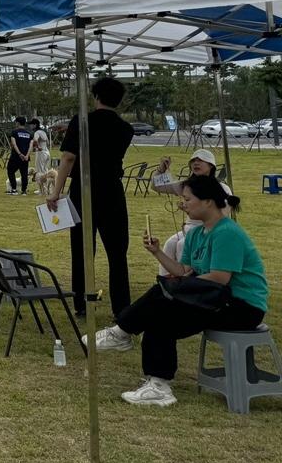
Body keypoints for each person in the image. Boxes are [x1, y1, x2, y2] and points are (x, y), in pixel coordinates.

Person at [99, 174, 268, 406]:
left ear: (207, 201)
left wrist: (179, 286)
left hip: (241, 306)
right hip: (214, 299)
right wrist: (157, 252)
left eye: (188, 200)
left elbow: (219, 278)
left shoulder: (227, 233)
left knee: (164, 297)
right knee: (161, 304)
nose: (184, 204)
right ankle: (156, 381)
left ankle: (123, 332)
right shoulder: (197, 234)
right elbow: (183, 269)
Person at [47, 77, 135, 331]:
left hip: (84, 190)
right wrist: (72, 128)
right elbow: (103, 138)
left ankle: (82, 302)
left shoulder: (82, 121)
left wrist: (56, 192)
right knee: (118, 253)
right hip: (113, 191)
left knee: (83, 248)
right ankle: (122, 307)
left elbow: (69, 158)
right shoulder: (125, 129)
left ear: (95, 96)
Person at [150, 149, 236, 261]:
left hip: (210, 229)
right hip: (189, 228)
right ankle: (166, 277)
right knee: (170, 244)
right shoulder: (187, 186)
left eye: (200, 160)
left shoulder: (221, 188)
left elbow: (223, 215)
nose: (196, 163)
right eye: (193, 161)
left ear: (211, 165)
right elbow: (157, 186)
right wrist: (162, 169)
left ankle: (185, 275)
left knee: (182, 245)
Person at [6, 115, 33, 195]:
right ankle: (24, 190)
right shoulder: (29, 134)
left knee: (10, 171)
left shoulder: (14, 132)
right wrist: (27, 155)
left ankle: (14, 189)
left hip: (16, 156)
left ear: (17, 123)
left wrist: (20, 154)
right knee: (24, 173)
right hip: (26, 157)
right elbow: (31, 146)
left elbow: (14, 144)